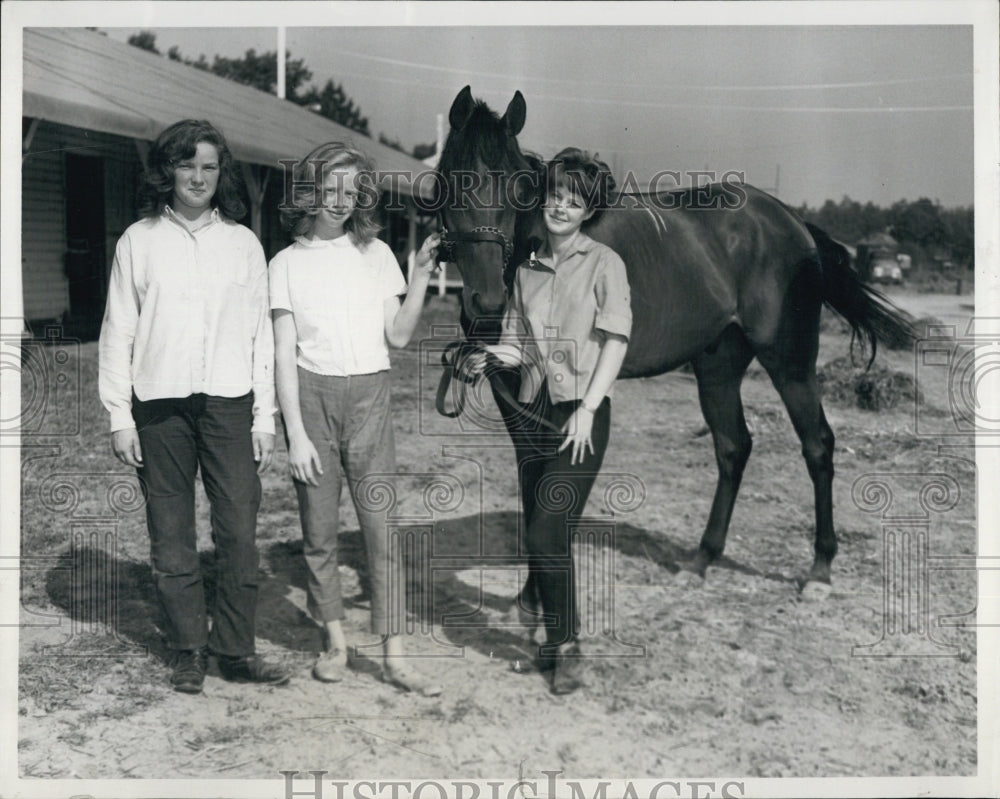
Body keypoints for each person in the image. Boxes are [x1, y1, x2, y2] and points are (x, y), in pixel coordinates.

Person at [99, 119, 288, 693]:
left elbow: (262, 337)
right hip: (159, 408)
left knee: (237, 529)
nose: (198, 177)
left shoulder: (243, 243)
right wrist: (119, 416)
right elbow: (118, 330)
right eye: (187, 166)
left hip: (230, 405)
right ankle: (187, 648)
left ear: (220, 173)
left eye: (209, 166)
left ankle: (235, 649)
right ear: (168, 172)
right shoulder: (138, 240)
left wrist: (264, 417)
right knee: (172, 533)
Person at [270, 142, 443, 696]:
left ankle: (395, 656)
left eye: (352, 191)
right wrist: (295, 433)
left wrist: (418, 277)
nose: (342, 201)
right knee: (319, 535)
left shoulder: (378, 256)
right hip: (314, 404)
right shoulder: (285, 264)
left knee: (381, 531)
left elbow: (396, 336)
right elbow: (283, 355)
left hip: (370, 398)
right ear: (310, 191)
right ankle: (336, 643)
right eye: (331, 189)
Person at [467, 148, 631, 694]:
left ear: (589, 211)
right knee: (544, 535)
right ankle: (553, 641)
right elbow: (517, 346)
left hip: (580, 418)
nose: (562, 206)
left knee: (546, 528)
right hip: (536, 412)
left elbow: (615, 341)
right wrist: (488, 357)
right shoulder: (527, 269)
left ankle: (566, 645)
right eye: (557, 195)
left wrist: (588, 409)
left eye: (575, 200)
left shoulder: (605, 264)